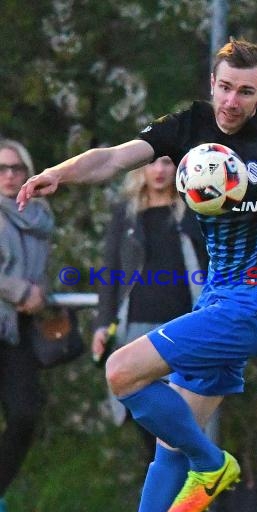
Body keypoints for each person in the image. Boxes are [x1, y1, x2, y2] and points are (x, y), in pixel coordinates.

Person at [17, 38, 257, 512]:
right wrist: (60, 171)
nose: (231, 101)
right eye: (224, 87)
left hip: (255, 304)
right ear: (212, 85)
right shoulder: (189, 125)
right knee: (167, 445)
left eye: (245, 91)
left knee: (121, 371)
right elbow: (113, 158)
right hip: (217, 303)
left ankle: (213, 461)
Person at [91, 156, 207, 461]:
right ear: (140, 168)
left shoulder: (195, 210)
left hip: (183, 326)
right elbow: (111, 271)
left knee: (185, 415)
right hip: (136, 326)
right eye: (152, 163)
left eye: (167, 163)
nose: (159, 170)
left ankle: (190, 498)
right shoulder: (126, 214)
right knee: (144, 412)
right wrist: (102, 324)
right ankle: (161, 495)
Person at [0, 139, 54, 512]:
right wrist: (21, 291)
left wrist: (41, 293)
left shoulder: (39, 216)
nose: (9, 176)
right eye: (1, 169)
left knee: (24, 414)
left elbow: (44, 269)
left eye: (16, 169)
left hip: (19, 329)